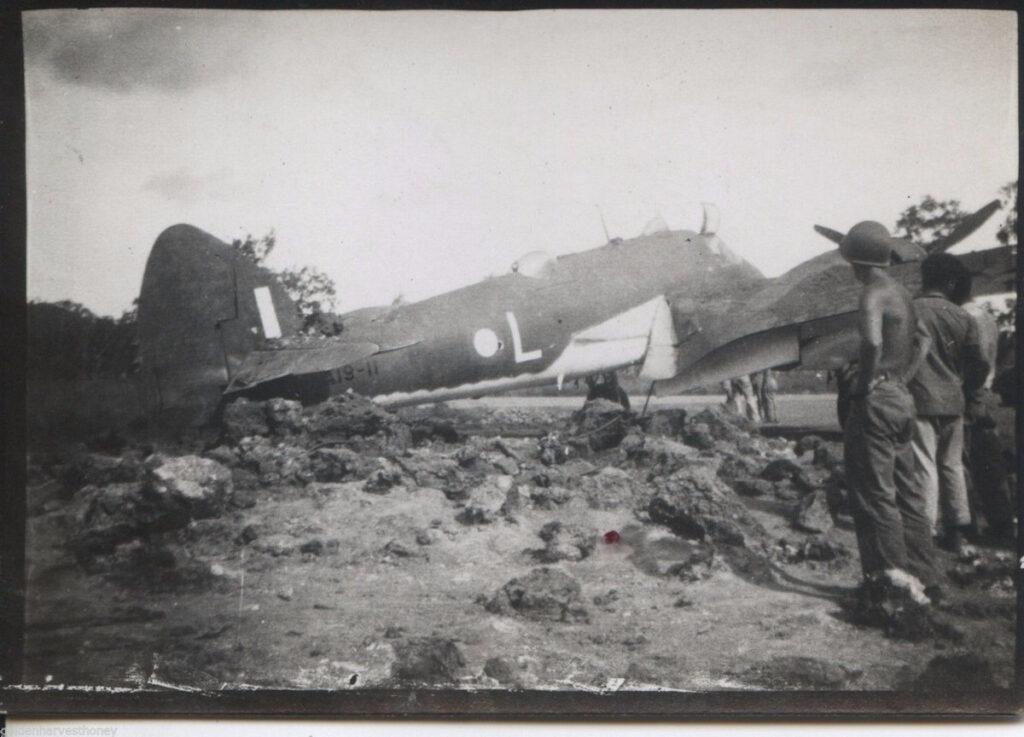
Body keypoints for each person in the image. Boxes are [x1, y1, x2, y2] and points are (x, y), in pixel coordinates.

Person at [839, 221, 940, 601]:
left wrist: (865, 384)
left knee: (875, 495)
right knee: (909, 494)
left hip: (877, 401)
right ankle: (926, 579)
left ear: (855, 260)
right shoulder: (902, 293)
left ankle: (891, 586)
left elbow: (871, 342)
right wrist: (903, 376)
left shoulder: (872, 294)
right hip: (901, 396)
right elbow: (925, 339)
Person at [907, 253, 989, 554]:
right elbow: (978, 363)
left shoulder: (911, 311)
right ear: (951, 282)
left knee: (924, 466)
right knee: (952, 465)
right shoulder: (963, 316)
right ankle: (955, 532)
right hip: (954, 401)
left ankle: (925, 533)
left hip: (919, 399)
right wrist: (967, 388)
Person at [955, 279, 1014, 544]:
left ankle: (969, 526)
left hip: (971, 392)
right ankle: (1001, 524)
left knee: (964, 461)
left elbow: (974, 360)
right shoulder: (987, 316)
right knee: (990, 465)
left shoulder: (963, 317)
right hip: (986, 391)